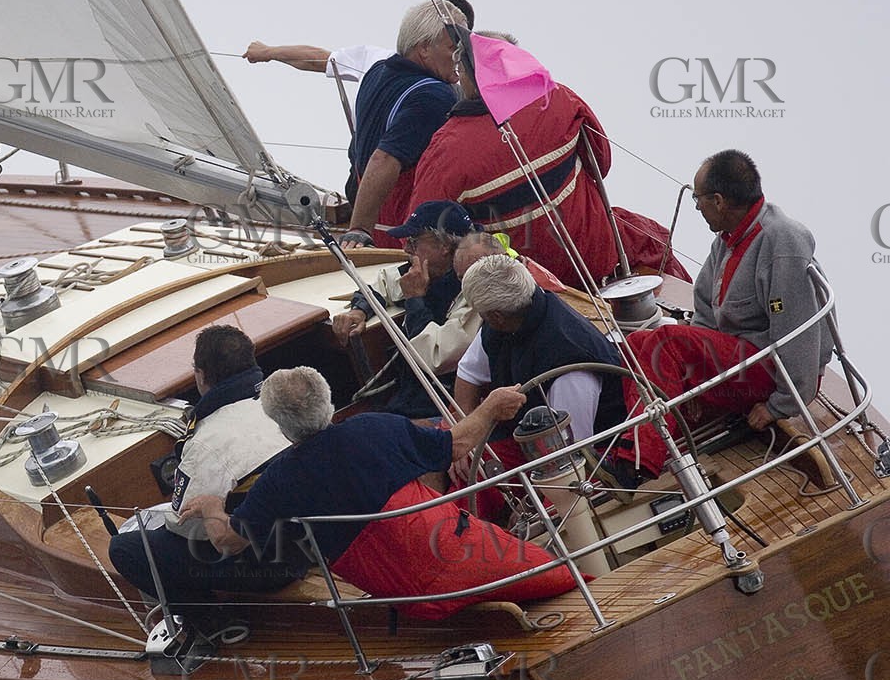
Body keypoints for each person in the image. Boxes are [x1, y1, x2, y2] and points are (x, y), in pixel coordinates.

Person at [178, 368, 578, 620]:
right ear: (330, 402)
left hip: (412, 600)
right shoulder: (375, 428)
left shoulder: (278, 481)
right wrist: (490, 406)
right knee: (571, 579)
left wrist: (213, 505)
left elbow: (228, 541)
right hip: (472, 557)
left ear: (278, 424)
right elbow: (456, 445)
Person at [613, 150, 832, 479]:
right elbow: (704, 310)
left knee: (665, 341)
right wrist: (696, 377)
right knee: (638, 342)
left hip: (773, 372)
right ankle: (639, 441)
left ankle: (638, 463)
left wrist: (780, 406)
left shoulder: (781, 241)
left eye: (697, 198)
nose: (697, 206)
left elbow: (799, 334)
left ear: (718, 200)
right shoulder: (727, 241)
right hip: (741, 361)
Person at [409, 36, 684, 287]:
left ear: (467, 76)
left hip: (519, 287)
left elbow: (422, 231)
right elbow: (601, 162)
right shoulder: (558, 97)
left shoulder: (444, 150)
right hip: (598, 257)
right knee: (652, 237)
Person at [108, 325, 305, 608]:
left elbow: (185, 525)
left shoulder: (204, 443)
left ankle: (209, 624)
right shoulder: (288, 405)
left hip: (274, 566)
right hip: (317, 538)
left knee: (127, 548)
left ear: (200, 375)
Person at [453, 254, 625, 446]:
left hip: (562, 450)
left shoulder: (570, 364)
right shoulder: (505, 319)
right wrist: (465, 434)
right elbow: (468, 374)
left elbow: (572, 450)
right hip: (520, 435)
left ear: (496, 316)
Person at [330, 200, 479, 418]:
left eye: (414, 241)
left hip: (447, 405)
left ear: (444, 246)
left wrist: (415, 299)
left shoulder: (474, 289)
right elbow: (381, 285)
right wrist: (359, 310)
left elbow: (435, 358)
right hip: (414, 395)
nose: (406, 248)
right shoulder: (429, 271)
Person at [242, 0, 475, 129]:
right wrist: (268, 52)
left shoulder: (467, 90)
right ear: (424, 40)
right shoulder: (380, 61)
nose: (455, 54)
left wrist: (268, 52)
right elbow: (319, 60)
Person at [344, 0, 466, 242]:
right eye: (454, 47)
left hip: (375, 226)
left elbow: (359, 147)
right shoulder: (435, 96)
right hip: (404, 235)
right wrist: (359, 230)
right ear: (424, 49)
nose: (461, 56)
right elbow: (385, 157)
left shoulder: (376, 72)